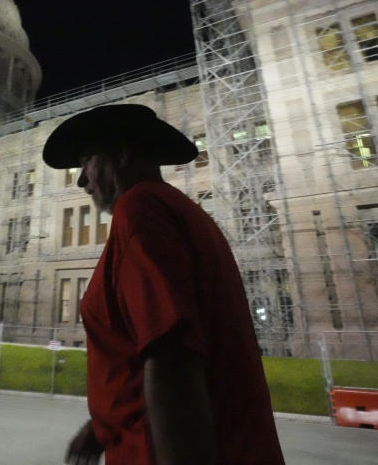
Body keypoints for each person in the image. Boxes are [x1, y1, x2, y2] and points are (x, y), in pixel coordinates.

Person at [42, 104, 284, 465]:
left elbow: (172, 356)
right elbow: (145, 351)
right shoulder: (179, 212)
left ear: (122, 154)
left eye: (87, 159)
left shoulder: (140, 209)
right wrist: (105, 426)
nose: (81, 179)